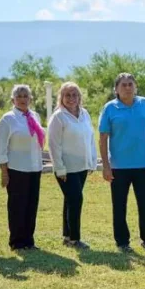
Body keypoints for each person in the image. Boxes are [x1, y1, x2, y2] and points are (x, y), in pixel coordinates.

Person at [98, 73, 145, 252]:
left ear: (135, 87)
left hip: (142, 165)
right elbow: (103, 138)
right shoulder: (110, 108)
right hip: (118, 167)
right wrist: (106, 166)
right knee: (119, 205)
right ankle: (122, 242)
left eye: (130, 84)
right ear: (116, 89)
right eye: (123, 85)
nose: (127, 87)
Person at [47, 81, 97, 250]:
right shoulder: (58, 117)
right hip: (66, 168)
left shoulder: (85, 114)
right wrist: (59, 168)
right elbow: (54, 145)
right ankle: (75, 239)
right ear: (61, 97)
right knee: (76, 199)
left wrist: (92, 161)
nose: (71, 98)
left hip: (82, 166)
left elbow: (90, 138)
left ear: (79, 97)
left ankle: (67, 236)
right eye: (67, 95)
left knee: (70, 200)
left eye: (74, 95)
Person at [0, 85, 45, 251]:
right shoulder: (8, 119)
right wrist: (4, 172)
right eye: (19, 96)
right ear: (13, 100)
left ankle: (29, 240)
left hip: (34, 168)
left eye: (26, 96)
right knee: (17, 206)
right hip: (16, 169)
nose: (23, 99)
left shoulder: (35, 116)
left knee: (31, 205)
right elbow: (1, 148)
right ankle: (16, 242)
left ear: (30, 98)